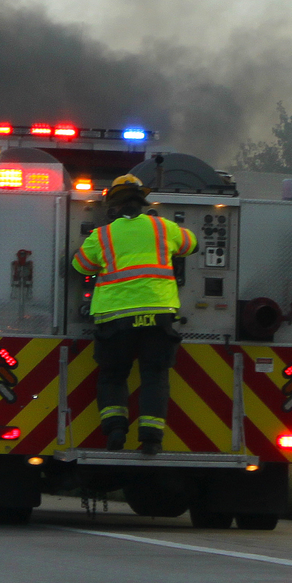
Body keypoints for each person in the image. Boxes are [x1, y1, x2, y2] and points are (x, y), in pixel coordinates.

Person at [71, 174, 197, 454]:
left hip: (115, 319)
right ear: (143, 202)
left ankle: (115, 430)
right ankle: (151, 439)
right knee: (154, 375)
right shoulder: (163, 228)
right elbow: (192, 244)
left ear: (111, 206)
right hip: (159, 315)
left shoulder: (101, 236)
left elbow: (80, 266)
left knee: (113, 375)